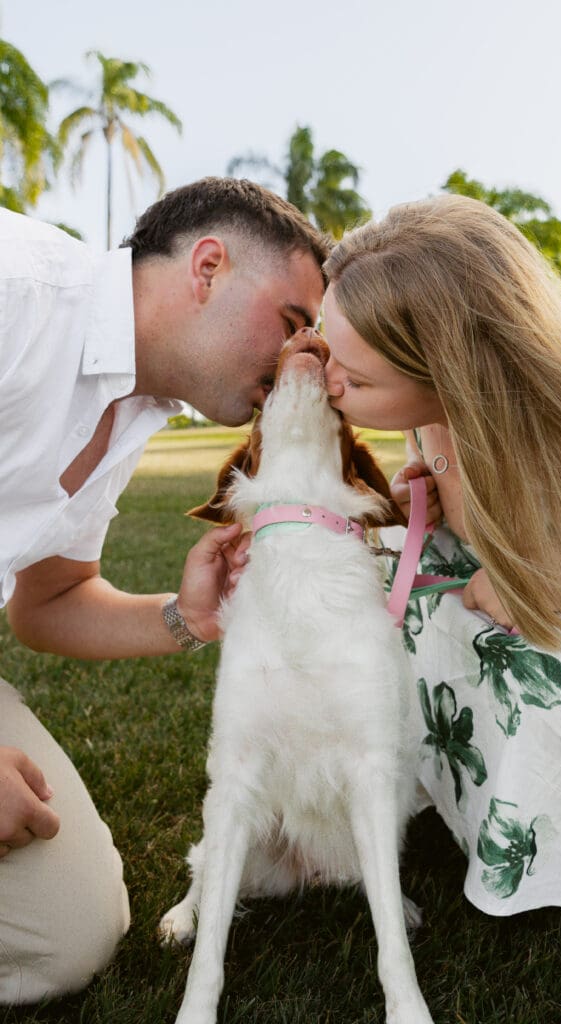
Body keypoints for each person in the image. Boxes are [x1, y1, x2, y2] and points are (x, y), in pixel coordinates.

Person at [0, 176, 328, 1003]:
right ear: (208, 266)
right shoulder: (19, 291)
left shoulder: (132, 405)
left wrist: (188, 617)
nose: (299, 363)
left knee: (63, 942)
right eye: (293, 324)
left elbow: (45, 605)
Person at [322, 194, 561, 934]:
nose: (328, 380)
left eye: (354, 380)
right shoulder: (441, 417)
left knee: (558, 665)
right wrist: (434, 497)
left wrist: (555, 580)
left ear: (450, 373)